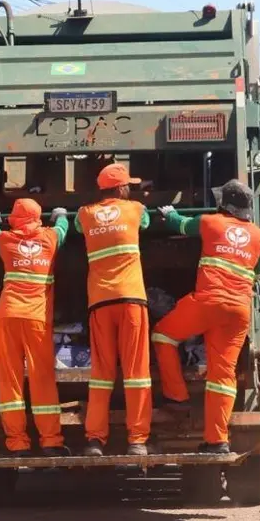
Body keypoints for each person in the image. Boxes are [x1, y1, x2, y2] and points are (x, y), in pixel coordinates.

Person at [151, 179, 260, 454]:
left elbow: (180, 225)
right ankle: (217, 442)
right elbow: (259, 268)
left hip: (208, 302)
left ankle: (177, 397)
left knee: (163, 335)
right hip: (239, 312)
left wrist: (169, 214)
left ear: (223, 204)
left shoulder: (210, 222)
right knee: (222, 375)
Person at [75, 163, 153, 457]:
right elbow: (145, 224)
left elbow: (73, 227)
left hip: (100, 302)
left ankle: (95, 439)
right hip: (132, 300)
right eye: (129, 186)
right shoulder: (136, 210)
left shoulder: (85, 214)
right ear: (121, 189)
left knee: (101, 374)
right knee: (136, 373)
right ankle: (137, 440)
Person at [0, 199, 70, 457]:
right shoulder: (49, 239)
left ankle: (17, 443)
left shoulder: (7, 240)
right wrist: (61, 213)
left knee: (10, 379)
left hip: (8, 315)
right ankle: (50, 441)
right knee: (42, 378)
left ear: (14, 219)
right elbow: (63, 228)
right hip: (36, 319)